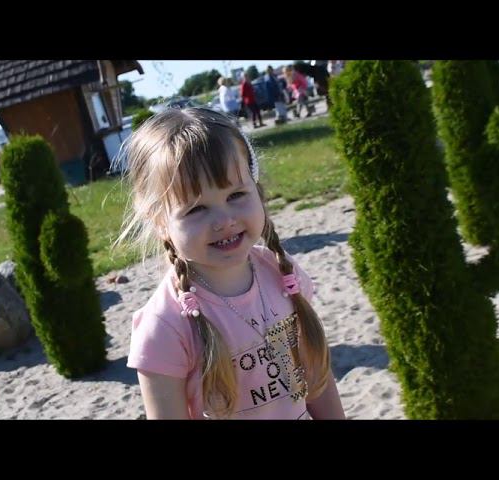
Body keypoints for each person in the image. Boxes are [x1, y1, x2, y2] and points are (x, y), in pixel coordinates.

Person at [117, 107, 345, 419]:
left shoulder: (282, 274)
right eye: (196, 210)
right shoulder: (164, 326)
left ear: (257, 189)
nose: (224, 220)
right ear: (159, 222)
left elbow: (316, 378)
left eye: (236, 195)